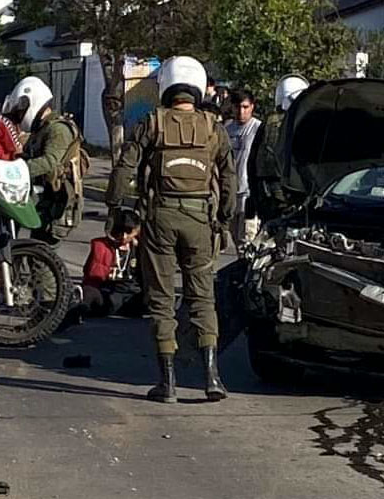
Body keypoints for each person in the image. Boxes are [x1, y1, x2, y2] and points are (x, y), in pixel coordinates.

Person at [105, 55, 236, 404]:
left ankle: (168, 383)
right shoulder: (213, 128)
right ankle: (211, 377)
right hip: (199, 221)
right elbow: (229, 177)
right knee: (202, 297)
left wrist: (116, 210)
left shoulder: (152, 122)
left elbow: (124, 168)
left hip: (159, 218)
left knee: (162, 300)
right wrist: (223, 219)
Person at [1, 75, 82, 242]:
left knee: (41, 258)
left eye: (21, 111)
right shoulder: (42, 129)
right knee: (30, 252)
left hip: (57, 204)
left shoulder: (58, 129)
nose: (21, 115)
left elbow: (49, 161)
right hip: (43, 201)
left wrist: (16, 171)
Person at [247, 74, 309, 224]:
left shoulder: (268, 122)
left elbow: (252, 163)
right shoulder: (305, 122)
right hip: (296, 195)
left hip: (267, 195)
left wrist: (255, 197)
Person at [80, 208, 142, 316]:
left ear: (136, 231)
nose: (124, 237)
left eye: (128, 232)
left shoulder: (141, 249)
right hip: (108, 292)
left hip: (132, 294)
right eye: (120, 231)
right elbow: (91, 277)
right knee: (89, 292)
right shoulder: (102, 246)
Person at [224, 89, 261, 250]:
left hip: (249, 194)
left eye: (245, 107)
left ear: (252, 107)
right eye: (238, 107)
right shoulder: (227, 129)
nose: (241, 111)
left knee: (246, 240)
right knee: (234, 235)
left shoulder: (258, 128)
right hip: (231, 193)